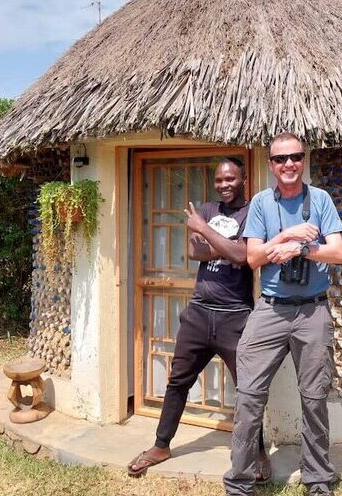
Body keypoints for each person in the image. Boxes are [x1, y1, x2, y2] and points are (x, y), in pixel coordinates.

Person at [128, 157, 271, 482]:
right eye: (219, 180)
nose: (224, 185)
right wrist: (226, 246)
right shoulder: (206, 208)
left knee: (248, 388)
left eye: (230, 178)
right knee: (178, 381)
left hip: (236, 316)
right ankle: (161, 445)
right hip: (198, 312)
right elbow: (195, 252)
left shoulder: (251, 214)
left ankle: (258, 450)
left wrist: (208, 235)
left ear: (243, 179)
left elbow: (244, 257)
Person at [223, 133, 342, 496]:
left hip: (313, 311)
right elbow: (253, 258)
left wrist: (300, 249)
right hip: (271, 311)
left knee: (314, 399)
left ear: (303, 160)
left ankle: (319, 482)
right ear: (270, 164)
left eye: (295, 157)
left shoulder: (320, 199)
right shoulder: (261, 203)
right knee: (248, 397)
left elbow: (338, 253)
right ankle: (239, 484)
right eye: (280, 159)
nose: (288, 164)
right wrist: (286, 236)